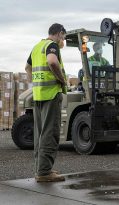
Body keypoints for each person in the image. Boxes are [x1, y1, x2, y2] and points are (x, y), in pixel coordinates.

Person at [25, 23, 67, 182]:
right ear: (59, 33)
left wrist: (34, 85)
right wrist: (61, 80)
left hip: (38, 96)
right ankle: (44, 172)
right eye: (63, 37)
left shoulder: (37, 47)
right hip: (51, 95)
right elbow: (53, 62)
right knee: (50, 133)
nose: (62, 40)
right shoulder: (51, 45)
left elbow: (27, 67)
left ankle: (41, 168)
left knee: (40, 134)